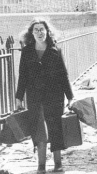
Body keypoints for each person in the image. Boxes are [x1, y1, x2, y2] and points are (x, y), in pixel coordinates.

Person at [15, 18, 74, 174]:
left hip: (54, 97)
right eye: (36, 30)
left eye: (42, 29)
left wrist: (70, 97)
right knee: (39, 130)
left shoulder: (56, 50)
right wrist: (18, 97)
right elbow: (22, 76)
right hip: (34, 98)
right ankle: (41, 165)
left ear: (47, 32)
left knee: (55, 129)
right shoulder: (27, 51)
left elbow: (63, 75)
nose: (40, 32)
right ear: (31, 33)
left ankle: (57, 164)